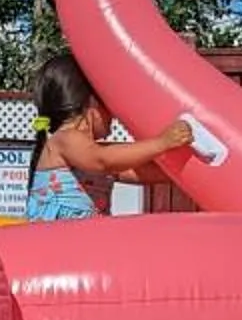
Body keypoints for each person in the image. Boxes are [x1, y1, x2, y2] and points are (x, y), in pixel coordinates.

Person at [25, 51, 191, 221]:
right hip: (58, 236)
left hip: (85, 236)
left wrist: (190, 172)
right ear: (93, 101)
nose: (114, 115)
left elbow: (141, 171)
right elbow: (102, 160)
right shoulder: (65, 139)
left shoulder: (91, 154)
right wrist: (161, 143)